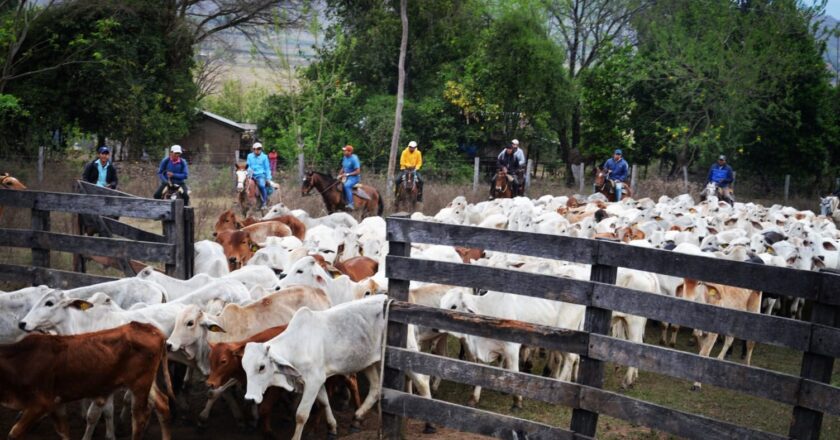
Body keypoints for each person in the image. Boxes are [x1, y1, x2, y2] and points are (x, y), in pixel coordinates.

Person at [246, 142, 272, 208]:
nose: (257, 150)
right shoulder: (249, 156)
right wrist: (249, 171)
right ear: (253, 149)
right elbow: (248, 165)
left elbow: (267, 168)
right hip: (251, 174)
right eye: (256, 149)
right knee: (244, 184)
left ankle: (264, 202)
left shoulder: (264, 157)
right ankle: (243, 201)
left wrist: (268, 178)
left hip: (260, 174)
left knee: (261, 185)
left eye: (259, 149)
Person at [338, 145, 361, 211]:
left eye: (345, 151)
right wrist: (339, 175)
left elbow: (358, 171)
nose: (344, 152)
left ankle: (351, 204)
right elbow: (343, 167)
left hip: (354, 178)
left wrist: (348, 174)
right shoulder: (345, 157)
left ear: (350, 152)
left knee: (347, 185)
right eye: (344, 150)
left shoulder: (354, 159)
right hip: (346, 176)